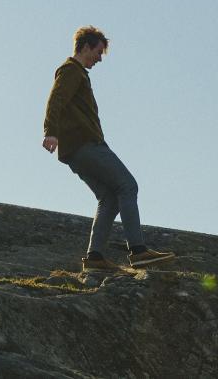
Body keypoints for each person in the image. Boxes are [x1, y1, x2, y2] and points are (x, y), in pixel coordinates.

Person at [42, 26, 175, 271]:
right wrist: (50, 131)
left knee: (109, 198)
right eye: (98, 52)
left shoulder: (78, 73)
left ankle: (95, 258)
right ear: (85, 47)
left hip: (76, 151)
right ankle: (138, 250)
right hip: (85, 144)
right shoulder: (72, 70)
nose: (100, 58)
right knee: (127, 185)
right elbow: (56, 98)